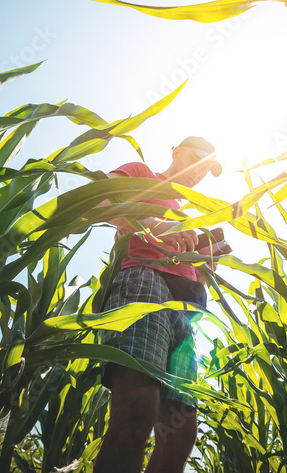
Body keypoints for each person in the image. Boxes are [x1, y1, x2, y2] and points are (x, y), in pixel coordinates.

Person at [92, 136, 222, 473]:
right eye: (197, 159)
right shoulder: (140, 174)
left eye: (208, 168)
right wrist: (151, 225)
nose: (200, 172)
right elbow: (95, 201)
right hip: (143, 285)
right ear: (176, 152)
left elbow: (197, 279)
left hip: (182, 311)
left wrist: (207, 263)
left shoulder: (188, 218)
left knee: (181, 433)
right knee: (137, 410)